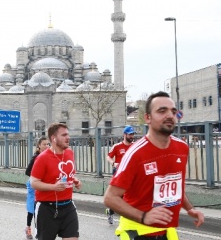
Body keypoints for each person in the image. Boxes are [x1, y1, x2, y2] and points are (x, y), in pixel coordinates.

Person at [103, 91, 205, 240]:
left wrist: (190, 209)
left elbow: (175, 187)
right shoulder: (135, 153)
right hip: (136, 231)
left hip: (166, 231)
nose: (170, 115)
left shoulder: (182, 148)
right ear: (147, 118)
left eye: (173, 111)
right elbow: (110, 198)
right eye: (162, 111)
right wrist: (144, 217)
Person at [31, 123, 82, 240]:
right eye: (64, 135)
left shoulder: (70, 153)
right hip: (47, 209)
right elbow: (34, 183)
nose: (68, 137)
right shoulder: (42, 158)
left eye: (68, 134)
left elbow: (66, 174)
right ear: (53, 138)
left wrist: (74, 180)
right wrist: (53, 187)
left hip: (68, 206)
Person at [105, 125, 136, 224]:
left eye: (133, 134)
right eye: (130, 134)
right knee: (119, 197)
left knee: (130, 196)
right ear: (124, 135)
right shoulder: (117, 146)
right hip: (119, 174)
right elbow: (108, 157)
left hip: (131, 174)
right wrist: (114, 163)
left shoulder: (135, 146)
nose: (132, 136)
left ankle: (129, 219)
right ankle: (110, 211)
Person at [24, 136, 49, 239]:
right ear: (39, 145)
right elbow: (27, 171)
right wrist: (37, 176)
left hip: (41, 185)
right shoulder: (36, 157)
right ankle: (29, 228)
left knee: (41, 208)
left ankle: (39, 230)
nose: (46, 146)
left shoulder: (47, 156)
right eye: (44, 144)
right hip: (33, 185)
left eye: (48, 144)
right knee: (32, 208)